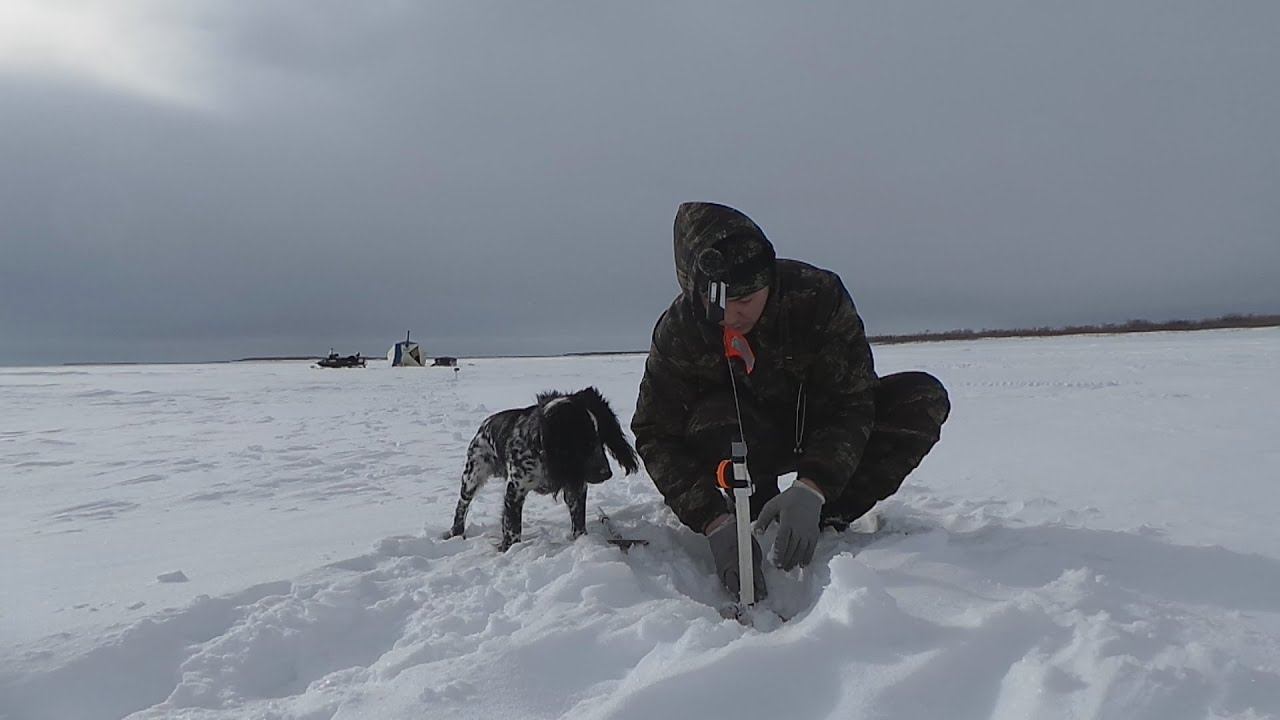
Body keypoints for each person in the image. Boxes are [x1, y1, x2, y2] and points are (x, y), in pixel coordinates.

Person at [631, 202, 950, 600]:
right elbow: (653, 432)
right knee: (710, 418)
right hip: (742, 444)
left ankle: (817, 519)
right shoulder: (681, 329)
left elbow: (852, 401)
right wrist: (712, 520)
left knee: (921, 399)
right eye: (721, 303)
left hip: (815, 434)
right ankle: (753, 513)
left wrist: (814, 488)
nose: (734, 313)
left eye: (747, 298)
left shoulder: (818, 296)